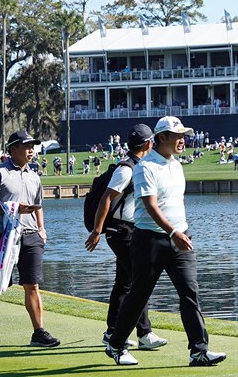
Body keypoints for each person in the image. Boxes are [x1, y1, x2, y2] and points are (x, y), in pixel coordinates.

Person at [106, 116, 226, 367]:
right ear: (161, 138)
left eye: (183, 135)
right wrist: (173, 232)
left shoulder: (177, 165)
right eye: (177, 136)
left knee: (189, 292)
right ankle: (116, 344)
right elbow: (150, 206)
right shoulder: (145, 167)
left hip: (179, 238)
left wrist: (178, 232)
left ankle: (199, 350)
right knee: (139, 293)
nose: (182, 140)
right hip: (149, 240)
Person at [0, 130, 60, 347]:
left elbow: (37, 205)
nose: (32, 150)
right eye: (27, 146)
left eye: (33, 146)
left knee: (32, 284)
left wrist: (42, 228)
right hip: (3, 237)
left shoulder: (34, 175)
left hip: (30, 236)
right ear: (13, 149)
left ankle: (38, 332)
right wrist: (11, 208)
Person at [84, 124, 167, 350]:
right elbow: (106, 200)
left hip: (129, 229)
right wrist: (96, 231)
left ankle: (111, 331)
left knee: (124, 282)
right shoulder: (127, 169)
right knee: (141, 281)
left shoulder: (140, 166)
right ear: (149, 144)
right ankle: (144, 333)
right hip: (120, 232)